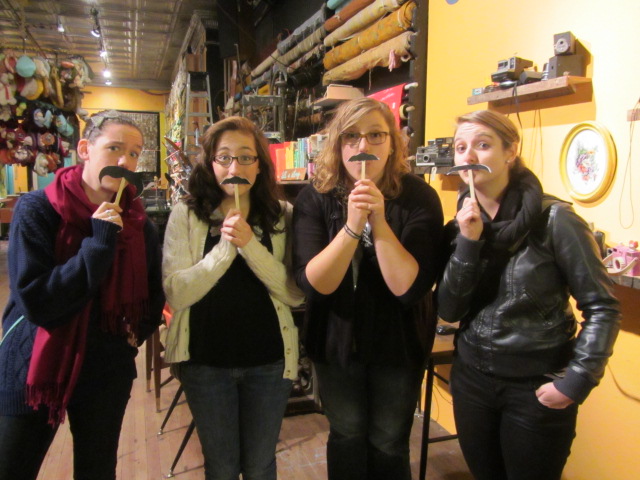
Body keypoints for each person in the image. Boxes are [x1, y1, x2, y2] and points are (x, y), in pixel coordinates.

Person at [437, 110, 621, 480]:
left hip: (534, 388)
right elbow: (449, 310)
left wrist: (576, 381)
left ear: (511, 151)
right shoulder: (461, 225)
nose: (469, 155)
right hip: (472, 383)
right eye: (460, 147)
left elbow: (603, 306)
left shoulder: (555, 220)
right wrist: (468, 244)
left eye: (482, 145)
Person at [0, 110, 165, 480]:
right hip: (35, 364)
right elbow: (37, 302)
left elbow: (153, 296)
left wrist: (130, 341)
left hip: (106, 370)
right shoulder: (38, 209)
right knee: (13, 466)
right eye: (115, 148)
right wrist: (98, 244)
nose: (126, 162)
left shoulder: (138, 223)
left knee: (97, 469)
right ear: (85, 149)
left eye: (134, 153)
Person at [292, 97, 444, 480]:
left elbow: (407, 288)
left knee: (389, 441)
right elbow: (316, 284)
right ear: (337, 144)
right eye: (352, 136)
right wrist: (351, 226)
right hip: (336, 342)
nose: (363, 146)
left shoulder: (418, 197)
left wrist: (378, 221)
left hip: (398, 343)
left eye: (376, 135)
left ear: (392, 143)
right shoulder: (315, 197)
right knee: (346, 434)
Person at [162, 116, 304, 480]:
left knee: (260, 465)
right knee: (221, 467)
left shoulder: (282, 215)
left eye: (245, 157)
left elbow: (294, 294)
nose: (234, 167)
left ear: (259, 165)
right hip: (205, 364)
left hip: (270, 363)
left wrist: (250, 245)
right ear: (210, 163)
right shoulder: (187, 214)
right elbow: (177, 292)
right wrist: (225, 249)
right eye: (224, 157)